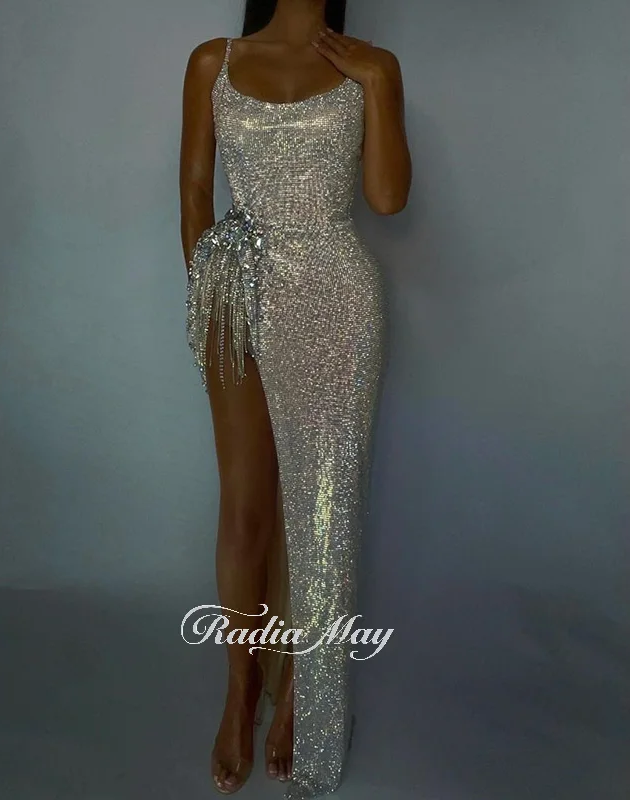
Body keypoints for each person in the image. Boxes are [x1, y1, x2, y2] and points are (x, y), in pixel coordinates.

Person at [179, 0, 411, 795]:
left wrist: (377, 82)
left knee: (321, 511)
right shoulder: (215, 60)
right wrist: (211, 291)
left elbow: (387, 199)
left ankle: (302, 698)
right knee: (246, 508)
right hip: (236, 291)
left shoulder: (370, 65)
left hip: (335, 297)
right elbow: (195, 191)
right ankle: (241, 687)